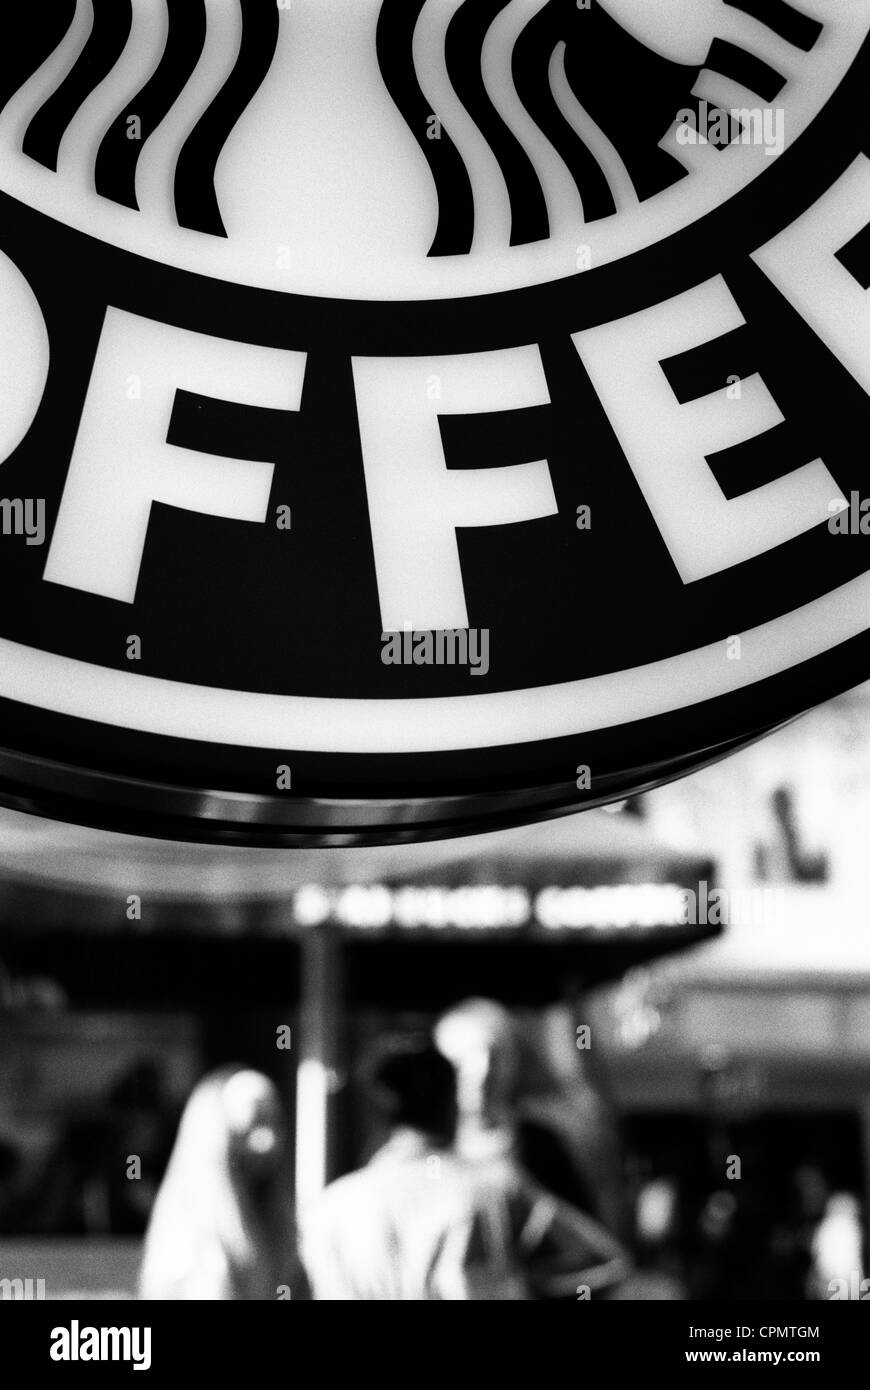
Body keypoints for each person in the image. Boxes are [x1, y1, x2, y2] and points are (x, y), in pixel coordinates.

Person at [301, 1036, 628, 1300]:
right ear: (451, 1102)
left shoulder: (327, 1209)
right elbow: (605, 1266)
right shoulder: (495, 1190)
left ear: (375, 1113)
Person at [139, 1066, 296, 1300]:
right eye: (253, 1123)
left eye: (275, 1123)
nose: (269, 1141)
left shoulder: (276, 1221)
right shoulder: (189, 1228)